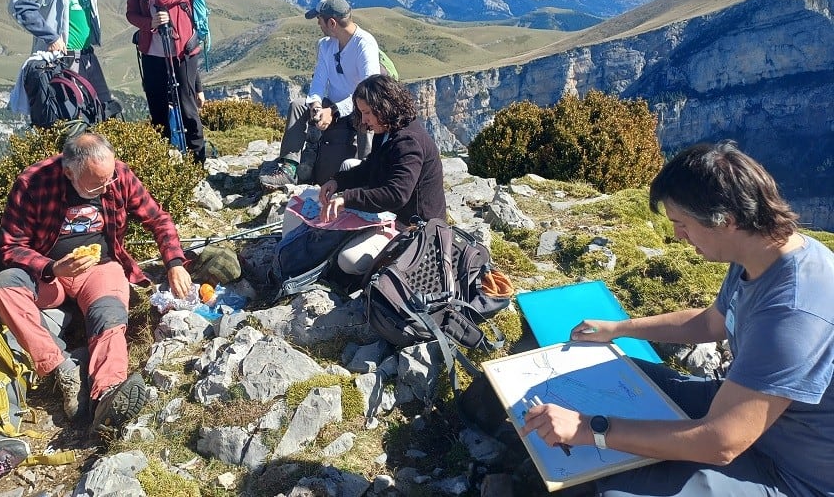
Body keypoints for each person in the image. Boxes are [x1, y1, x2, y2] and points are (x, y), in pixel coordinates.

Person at [521, 140, 834, 497]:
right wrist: (618, 330)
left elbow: (721, 443)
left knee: (617, 490)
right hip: (744, 413)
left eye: (682, 224)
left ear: (725, 221)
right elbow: (712, 323)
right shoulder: (758, 255)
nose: (677, 236)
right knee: (614, 377)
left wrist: (589, 429)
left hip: (790, 472)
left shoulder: (795, 311)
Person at [0, 132, 192, 435]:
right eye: (96, 184)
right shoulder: (33, 183)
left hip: (100, 268)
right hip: (50, 275)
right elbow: (10, 246)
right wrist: (52, 266)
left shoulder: (117, 175)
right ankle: (62, 370)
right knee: (3, 285)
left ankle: (108, 393)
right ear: (69, 172)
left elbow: (158, 219)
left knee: (108, 315)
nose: (106, 187)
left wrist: (174, 263)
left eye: (108, 179)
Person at [317, 75, 446, 276]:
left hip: (415, 227)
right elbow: (370, 168)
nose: (365, 120)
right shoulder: (386, 131)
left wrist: (347, 199)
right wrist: (337, 181)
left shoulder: (408, 142)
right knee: (349, 165)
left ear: (384, 107)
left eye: (368, 112)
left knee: (348, 261)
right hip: (394, 214)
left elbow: (396, 195)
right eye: (362, 113)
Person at [260, 0, 381, 190]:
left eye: (320, 19)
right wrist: (316, 106)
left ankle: (367, 171)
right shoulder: (326, 45)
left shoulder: (364, 45)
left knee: (367, 117)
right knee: (298, 106)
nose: (318, 23)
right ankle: (289, 167)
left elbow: (371, 91)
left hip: (356, 110)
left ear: (332, 22)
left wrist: (333, 111)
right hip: (331, 107)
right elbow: (318, 81)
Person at [9, 0, 117, 115]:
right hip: (63, 57)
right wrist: (50, 37)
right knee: (73, 115)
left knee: (104, 110)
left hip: (87, 54)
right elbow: (19, 4)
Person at [126, 0, 206, 163]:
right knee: (157, 109)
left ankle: (196, 163)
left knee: (187, 108)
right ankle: (162, 161)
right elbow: (131, 14)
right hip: (152, 52)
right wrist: (149, 22)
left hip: (181, 53)